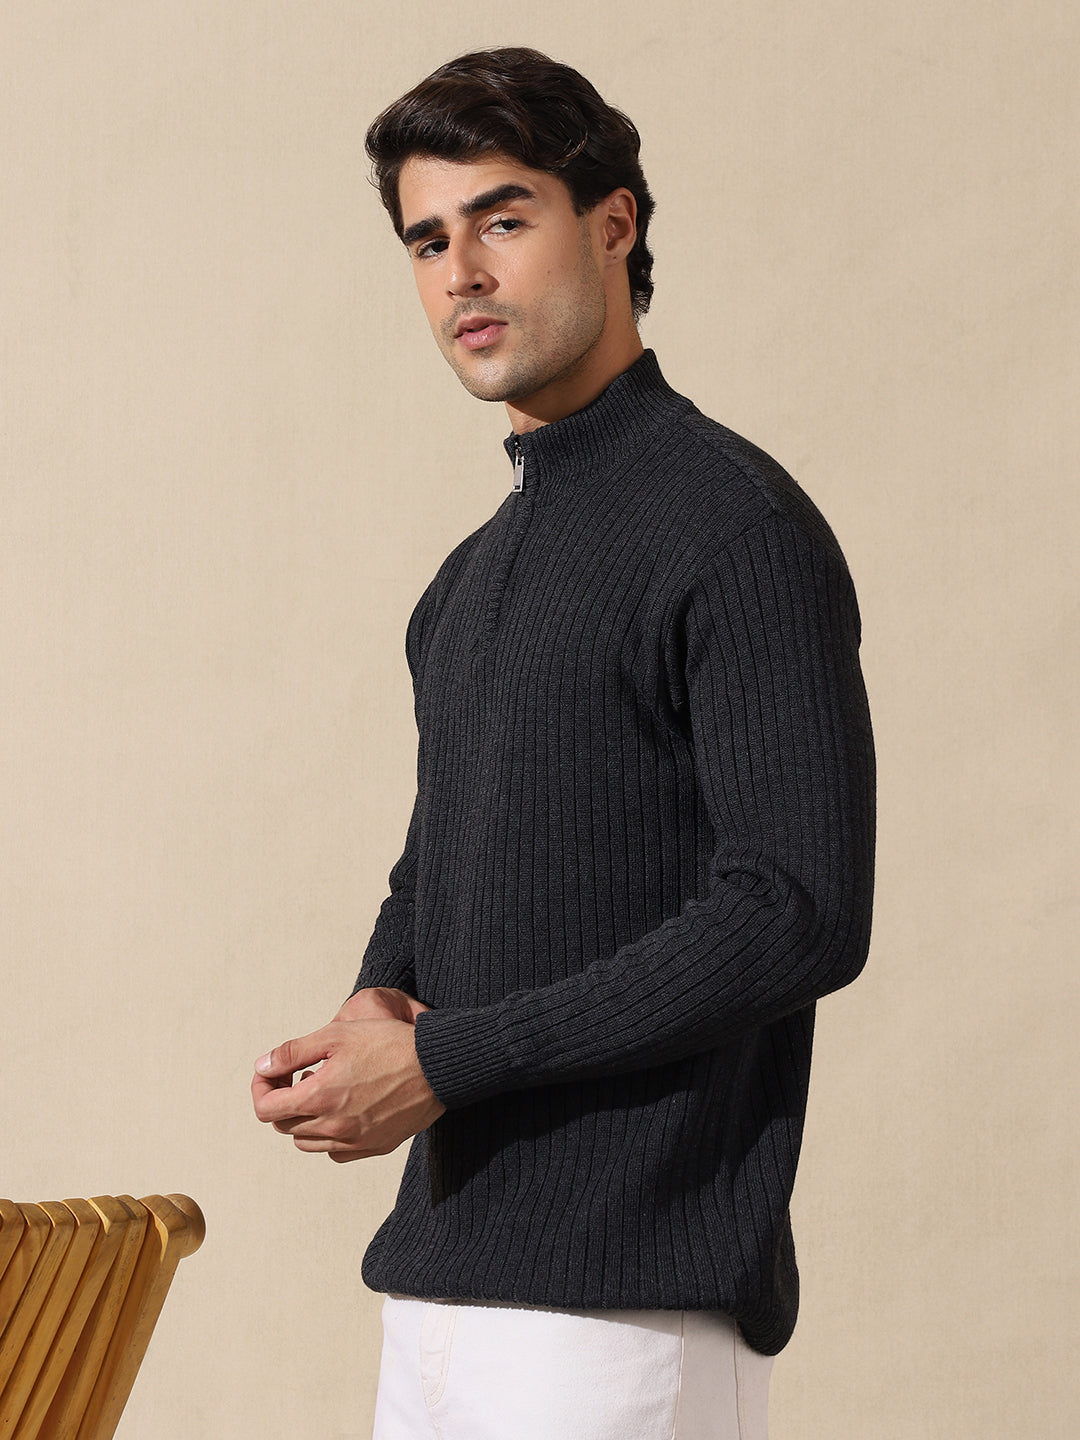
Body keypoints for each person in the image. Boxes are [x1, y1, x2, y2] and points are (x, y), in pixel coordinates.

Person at [252, 46, 875, 1440]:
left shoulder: (735, 528)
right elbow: (448, 857)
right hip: (438, 1292)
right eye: (428, 240)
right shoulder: (468, 583)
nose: (462, 273)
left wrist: (448, 1061)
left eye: (503, 218)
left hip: (625, 1317)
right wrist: (378, 1004)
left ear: (612, 223)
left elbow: (798, 911)